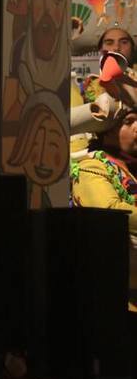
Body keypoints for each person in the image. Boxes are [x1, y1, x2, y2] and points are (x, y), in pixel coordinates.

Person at [71, 88, 137, 314]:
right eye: (129, 122)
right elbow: (110, 212)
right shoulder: (90, 167)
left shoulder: (131, 167)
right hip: (116, 299)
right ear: (106, 132)